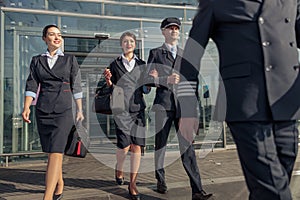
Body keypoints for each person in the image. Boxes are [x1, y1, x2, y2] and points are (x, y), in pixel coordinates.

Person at [178, 1, 300, 200]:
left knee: (274, 184)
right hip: (246, 104)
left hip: (286, 103)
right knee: (275, 191)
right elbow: (192, 53)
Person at [147, 17, 212, 200]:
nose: (174, 31)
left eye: (176, 28)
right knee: (160, 146)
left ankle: (197, 191)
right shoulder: (156, 53)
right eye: (170, 28)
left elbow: (194, 83)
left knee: (188, 149)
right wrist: (163, 80)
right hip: (164, 106)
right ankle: (160, 179)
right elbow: (147, 79)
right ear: (163, 31)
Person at [21, 24, 84, 200]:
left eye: (59, 35)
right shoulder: (37, 60)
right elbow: (32, 84)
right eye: (51, 34)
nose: (57, 37)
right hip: (43, 108)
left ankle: (47, 197)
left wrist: (80, 109)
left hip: (65, 109)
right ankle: (60, 183)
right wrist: (26, 106)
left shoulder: (70, 59)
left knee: (56, 151)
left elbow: (76, 85)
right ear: (44, 39)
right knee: (51, 151)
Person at [103, 31, 150, 200]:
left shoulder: (143, 64)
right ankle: (119, 167)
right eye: (125, 41)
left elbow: (147, 88)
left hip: (138, 109)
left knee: (137, 146)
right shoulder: (114, 64)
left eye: (131, 41)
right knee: (124, 146)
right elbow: (111, 88)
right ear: (121, 45)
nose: (128, 44)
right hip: (121, 109)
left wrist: (151, 81)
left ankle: (133, 184)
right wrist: (109, 81)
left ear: (135, 44)